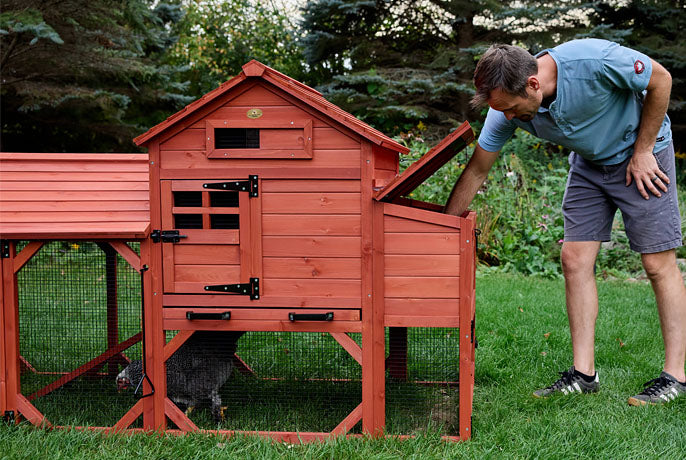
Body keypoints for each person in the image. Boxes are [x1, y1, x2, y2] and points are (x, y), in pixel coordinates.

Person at [445, 38, 686, 405]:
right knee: (574, 259)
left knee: (657, 263)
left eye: (511, 109)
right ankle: (583, 374)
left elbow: (661, 79)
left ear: (533, 84)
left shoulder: (593, 61)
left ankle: (675, 377)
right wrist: (443, 231)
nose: (507, 118)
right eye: (501, 111)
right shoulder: (504, 110)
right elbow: (477, 171)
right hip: (590, 165)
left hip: (642, 156)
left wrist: (643, 150)